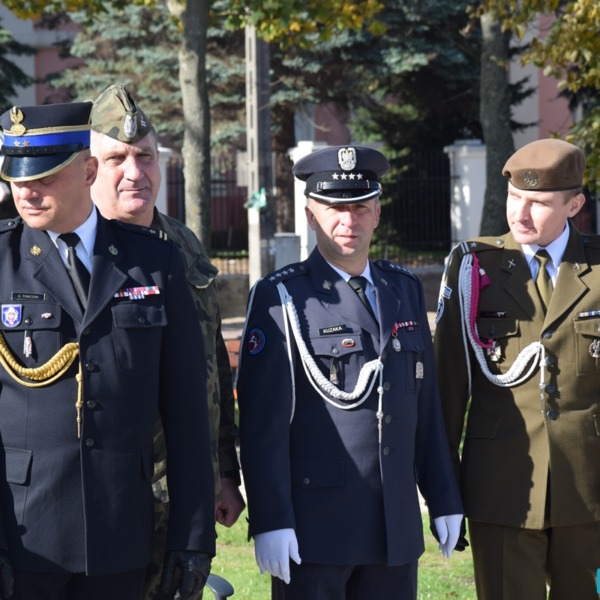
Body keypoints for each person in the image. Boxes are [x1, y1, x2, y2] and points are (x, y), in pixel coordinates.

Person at [0, 101, 216, 600]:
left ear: (87, 171)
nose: (26, 191)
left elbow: (187, 413)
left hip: (120, 532)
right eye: (17, 177)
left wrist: (192, 537)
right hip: (23, 535)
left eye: (44, 177)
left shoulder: (154, 262)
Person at [236, 145, 463, 600]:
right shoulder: (282, 297)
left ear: (377, 212)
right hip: (316, 529)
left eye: (360, 208)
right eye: (334, 209)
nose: (348, 221)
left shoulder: (403, 288)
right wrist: (271, 519)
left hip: (394, 526)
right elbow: (263, 425)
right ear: (310, 215)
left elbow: (424, 407)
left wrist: (443, 497)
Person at [88, 85, 245, 598]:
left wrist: (224, 471)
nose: (135, 172)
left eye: (146, 157)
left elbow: (212, 363)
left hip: (187, 494)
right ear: (88, 169)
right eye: (117, 159)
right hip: (117, 499)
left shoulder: (183, 244)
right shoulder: (80, 254)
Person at [433, 138, 600, 599]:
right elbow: (448, 388)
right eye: (514, 197)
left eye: (539, 203)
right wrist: (443, 492)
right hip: (502, 486)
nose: (520, 214)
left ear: (574, 205)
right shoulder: (473, 267)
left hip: (590, 486)